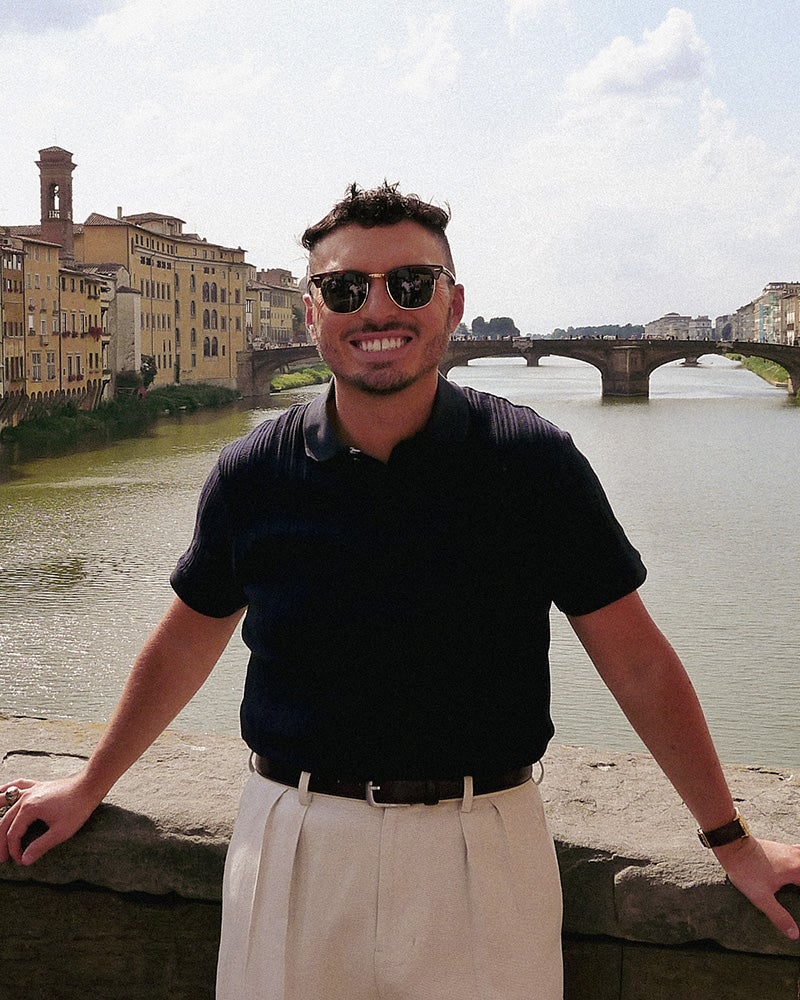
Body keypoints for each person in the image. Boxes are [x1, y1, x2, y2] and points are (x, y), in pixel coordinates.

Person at [1, 182, 799, 1000]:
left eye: (410, 284)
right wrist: (89, 786)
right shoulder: (254, 472)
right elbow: (185, 640)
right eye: (346, 289)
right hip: (292, 845)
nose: (378, 309)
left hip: (484, 849)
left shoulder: (532, 463)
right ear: (311, 316)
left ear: (453, 307)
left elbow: (637, 664)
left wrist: (731, 840)